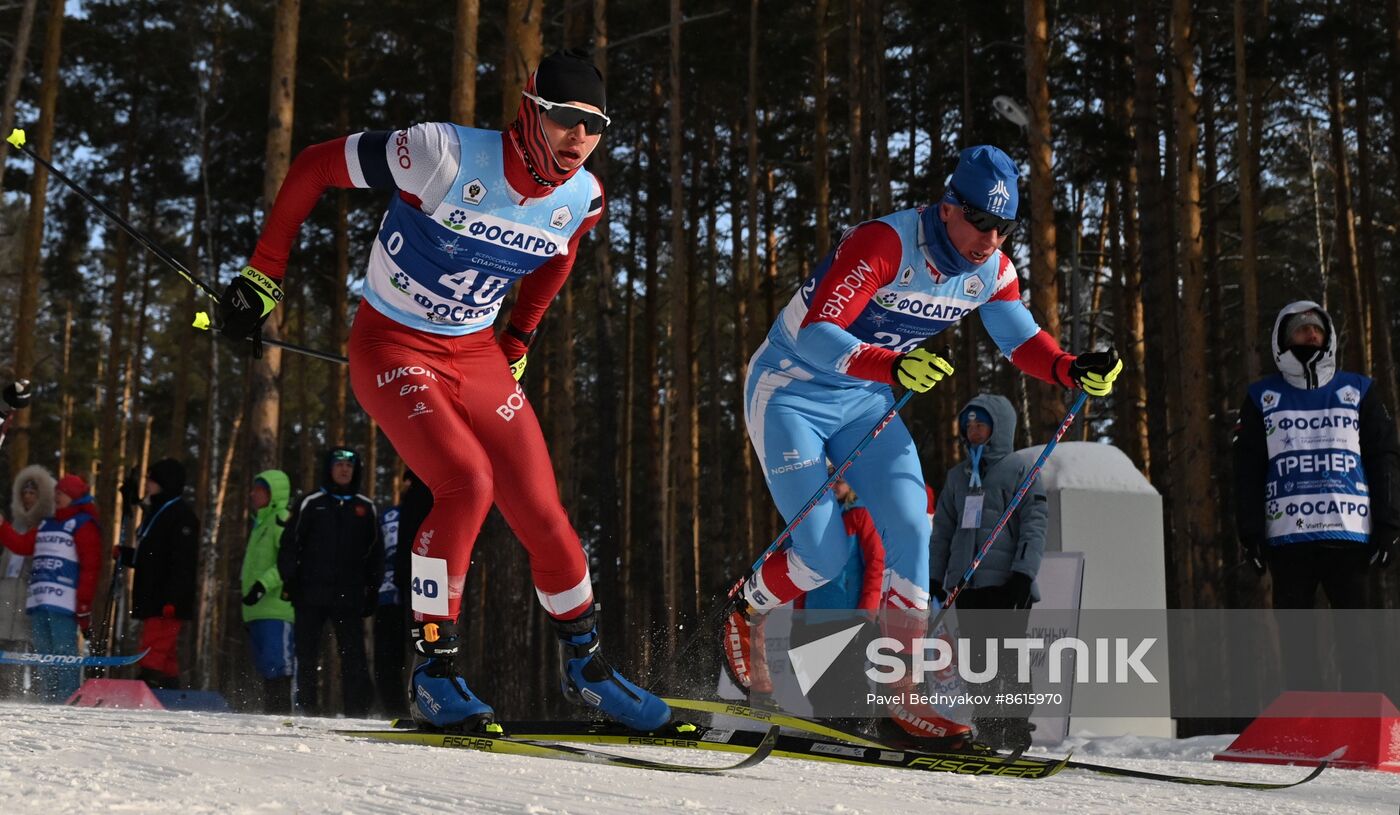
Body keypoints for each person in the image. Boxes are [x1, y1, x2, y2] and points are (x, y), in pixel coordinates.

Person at [223, 48, 667, 732]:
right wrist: (263, 275)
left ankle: (588, 668)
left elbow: (561, 253)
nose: (578, 139)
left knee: (542, 507)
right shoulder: (440, 154)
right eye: (565, 119)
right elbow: (314, 163)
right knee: (466, 482)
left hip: (477, 355)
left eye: (595, 126)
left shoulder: (583, 197)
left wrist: (517, 340)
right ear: (529, 112)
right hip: (392, 345)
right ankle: (434, 668)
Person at [725, 145, 1121, 748]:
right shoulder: (884, 243)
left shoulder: (992, 269)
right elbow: (819, 333)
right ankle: (747, 606)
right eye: (980, 222)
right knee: (823, 554)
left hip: (865, 401)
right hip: (791, 392)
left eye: (1002, 227)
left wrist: (1070, 369)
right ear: (948, 207)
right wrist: (893, 365)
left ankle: (902, 695)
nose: (989, 239)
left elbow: (1018, 338)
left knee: (914, 523)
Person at [1232, 301, 1399, 689]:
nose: (1310, 334)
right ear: (1282, 340)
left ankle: (1359, 731)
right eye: (1300, 329)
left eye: (1317, 329)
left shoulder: (1359, 390)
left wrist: (1389, 523)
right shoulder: (1261, 397)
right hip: (1289, 541)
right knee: (1296, 646)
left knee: (1359, 642)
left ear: (1328, 337)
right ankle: (1305, 731)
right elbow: (1247, 469)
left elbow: (1384, 457)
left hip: (1350, 537)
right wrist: (1251, 534)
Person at [930, 395, 1046, 751]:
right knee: (976, 660)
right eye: (968, 425)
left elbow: (1034, 524)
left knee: (1007, 657)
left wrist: (1023, 574)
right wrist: (936, 576)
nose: (973, 431)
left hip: (1007, 584)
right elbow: (943, 532)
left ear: (998, 429)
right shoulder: (958, 476)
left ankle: (1013, 726)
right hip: (968, 584)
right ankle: (988, 724)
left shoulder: (1020, 470)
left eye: (980, 424)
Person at [278, 447, 379, 717]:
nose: (344, 469)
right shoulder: (311, 502)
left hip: (349, 594)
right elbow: (289, 545)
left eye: (350, 465)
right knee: (307, 653)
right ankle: (307, 708)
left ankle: (356, 713)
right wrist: (290, 580)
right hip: (310, 593)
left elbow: (375, 554)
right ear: (329, 468)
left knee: (353, 655)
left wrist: (372, 591)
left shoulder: (365, 507)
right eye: (339, 464)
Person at [0, 474, 100, 702]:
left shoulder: (84, 524)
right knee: (45, 655)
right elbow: (21, 545)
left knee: (64, 654)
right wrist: (3, 527)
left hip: (64, 603)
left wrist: (84, 604)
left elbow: (91, 567)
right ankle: (49, 699)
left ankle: (67, 699)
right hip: (39, 601)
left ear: (73, 496)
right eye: (56, 493)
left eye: (61, 493)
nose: (56, 497)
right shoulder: (47, 524)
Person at [117, 459, 200, 689]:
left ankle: (146, 685)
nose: (148, 485)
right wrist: (126, 555)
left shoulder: (181, 516)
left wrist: (174, 598)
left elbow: (183, 563)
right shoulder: (157, 512)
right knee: (166, 654)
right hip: (152, 596)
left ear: (166, 483)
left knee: (153, 647)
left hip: (167, 599)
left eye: (152, 481)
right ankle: (171, 692)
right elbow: (151, 557)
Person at [239, 469, 295, 714]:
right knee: (265, 665)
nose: (253, 494)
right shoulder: (260, 522)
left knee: (279, 664)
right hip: (256, 610)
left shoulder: (281, 518)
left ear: (274, 493)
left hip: (277, 608)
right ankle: (270, 713)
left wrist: (263, 585)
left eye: (260, 490)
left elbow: (287, 561)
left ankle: (281, 713)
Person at [0, 465, 54, 698]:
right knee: (5, 647)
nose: (28, 499)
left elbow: (24, 548)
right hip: (6, 594)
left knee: (27, 648)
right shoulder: (16, 525)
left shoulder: (45, 527)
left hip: (31, 595)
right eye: (25, 494)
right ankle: (5, 691)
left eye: (33, 494)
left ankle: (33, 694)